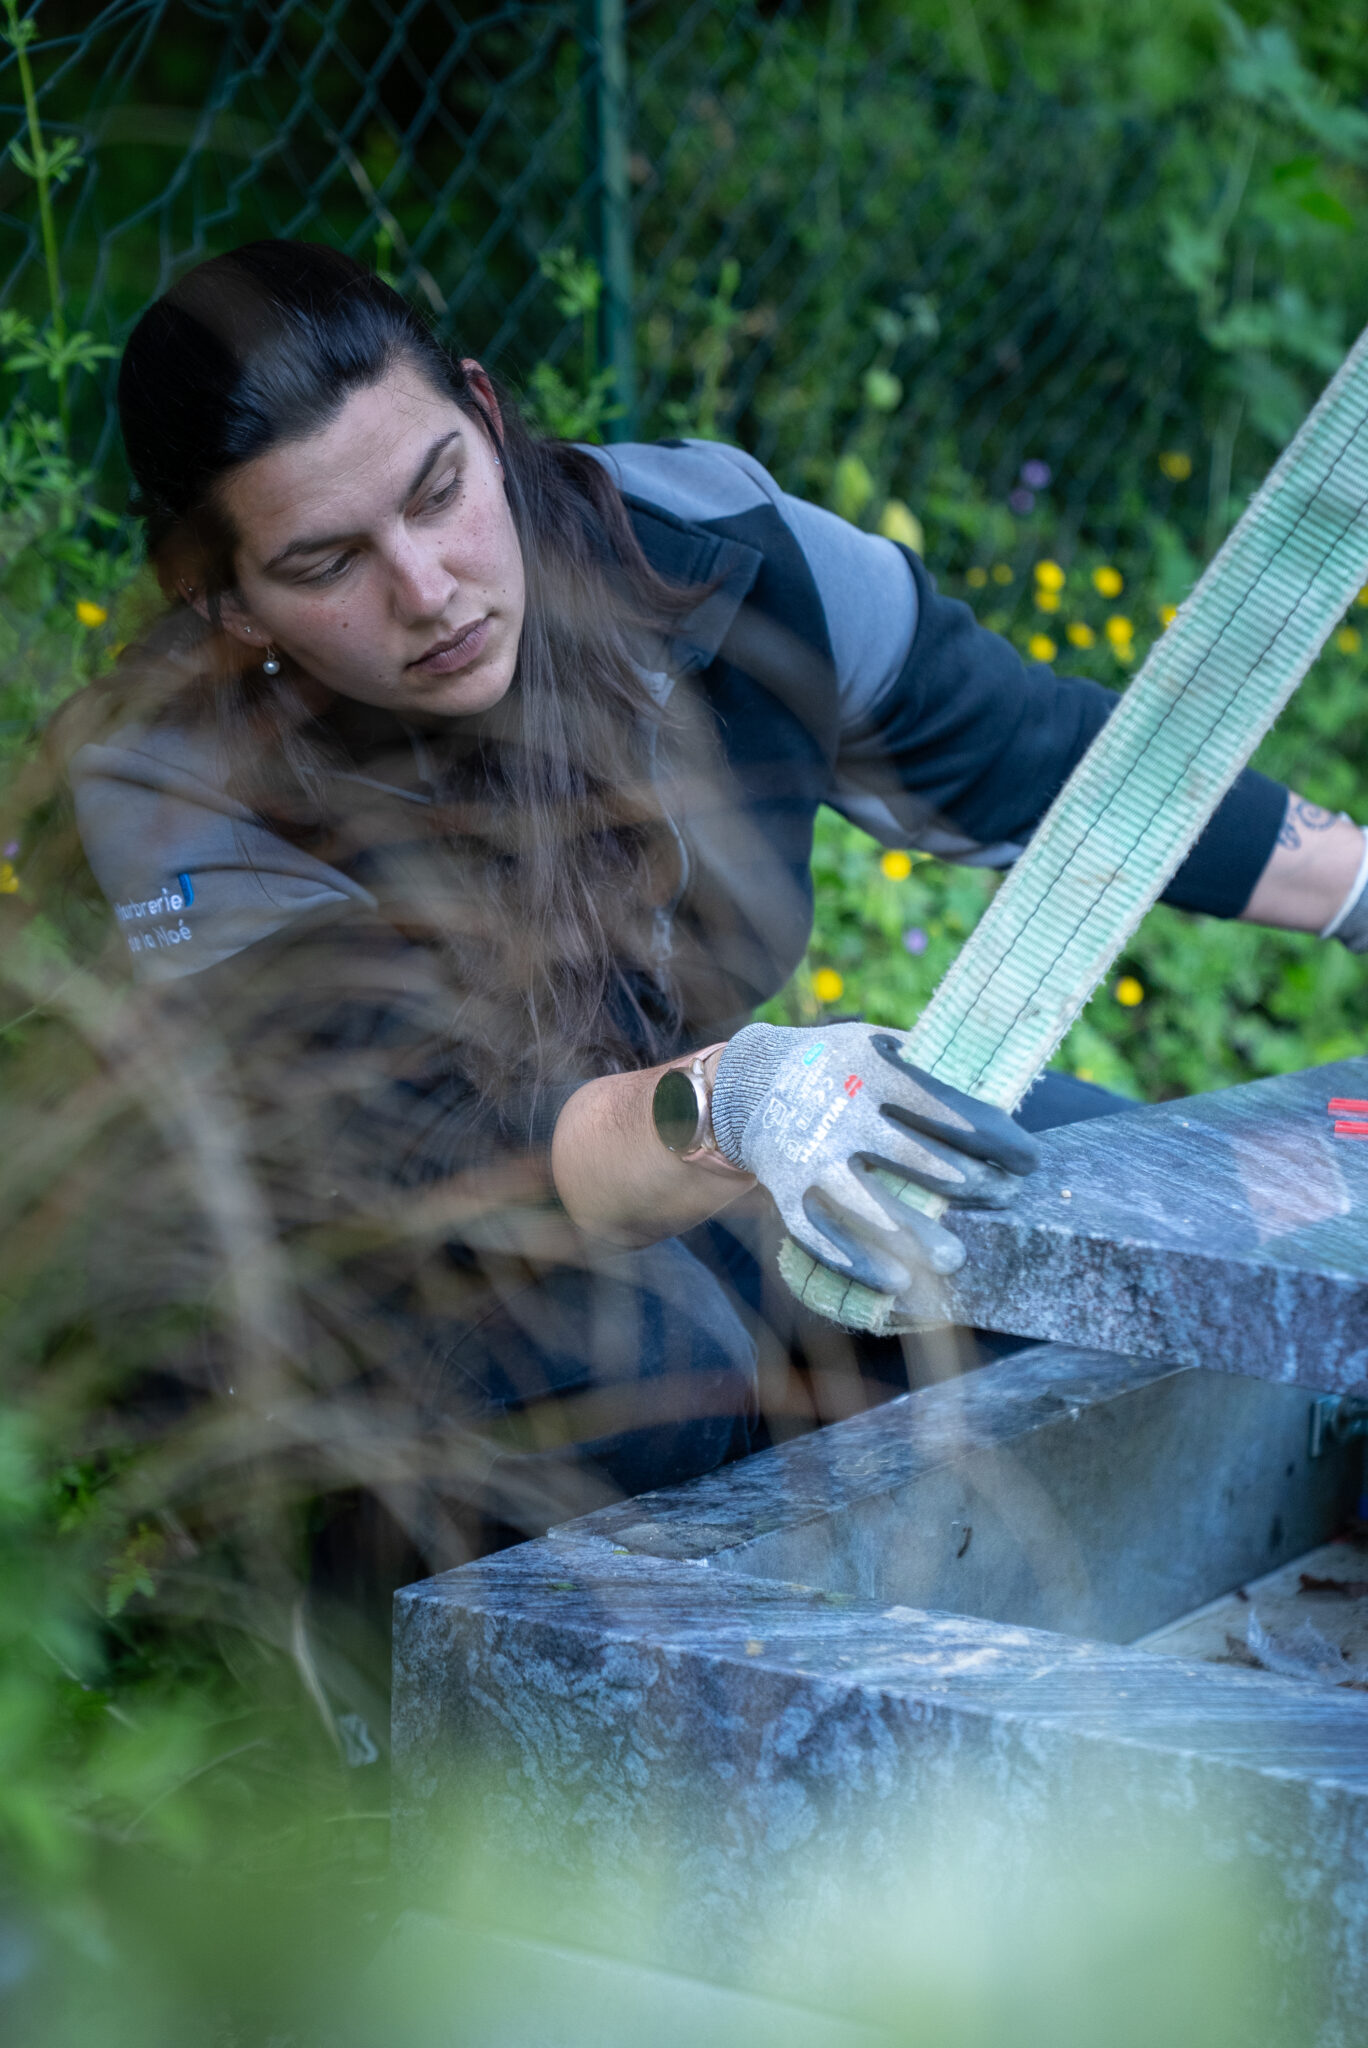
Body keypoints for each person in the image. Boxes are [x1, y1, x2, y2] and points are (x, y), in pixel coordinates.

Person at [61, 239, 1368, 1564]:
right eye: (329, 562)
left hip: (684, 1184)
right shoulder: (171, 791)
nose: (429, 586)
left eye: (442, 488)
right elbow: (449, 1153)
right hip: (381, 1288)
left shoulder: (720, 553)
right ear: (218, 596)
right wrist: (737, 1103)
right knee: (645, 1368)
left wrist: (1363, 887)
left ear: (483, 409)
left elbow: (1040, 764)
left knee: (1110, 1210)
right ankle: (410, 1703)